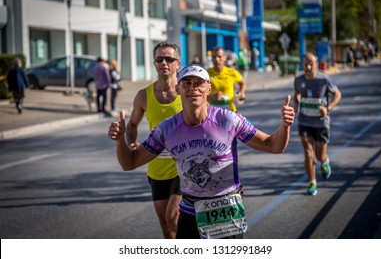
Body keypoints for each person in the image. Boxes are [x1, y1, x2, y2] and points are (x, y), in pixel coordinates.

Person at [108, 64, 295, 239]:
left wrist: (284, 126)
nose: (193, 88)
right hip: (189, 212)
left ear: (208, 89)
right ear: (177, 89)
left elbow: (273, 145)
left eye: (199, 83)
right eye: (187, 83)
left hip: (225, 211)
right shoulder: (166, 129)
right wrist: (119, 141)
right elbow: (129, 163)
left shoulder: (228, 120)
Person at [124, 42, 183, 239]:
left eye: (169, 59)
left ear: (178, 64)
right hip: (156, 168)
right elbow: (132, 125)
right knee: (165, 225)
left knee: (173, 217)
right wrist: (131, 143)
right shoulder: (144, 96)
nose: (164, 63)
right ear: (154, 63)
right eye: (159, 59)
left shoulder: (187, 93)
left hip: (184, 168)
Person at [293, 52, 342, 196]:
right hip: (304, 121)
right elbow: (297, 92)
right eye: (305, 64)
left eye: (311, 64)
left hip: (321, 123)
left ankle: (325, 162)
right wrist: (296, 102)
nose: (308, 67)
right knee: (308, 152)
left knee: (320, 156)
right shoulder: (298, 79)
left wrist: (328, 108)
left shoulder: (324, 80)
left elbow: (338, 94)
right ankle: (312, 183)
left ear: (317, 63)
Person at [207, 46, 246, 112]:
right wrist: (211, 97)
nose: (216, 59)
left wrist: (242, 92)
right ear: (212, 59)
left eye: (219, 56)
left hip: (230, 111)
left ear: (225, 58)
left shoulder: (232, 72)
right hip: (211, 112)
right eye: (214, 57)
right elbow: (200, 94)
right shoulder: (206, 73)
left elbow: (242, 83)